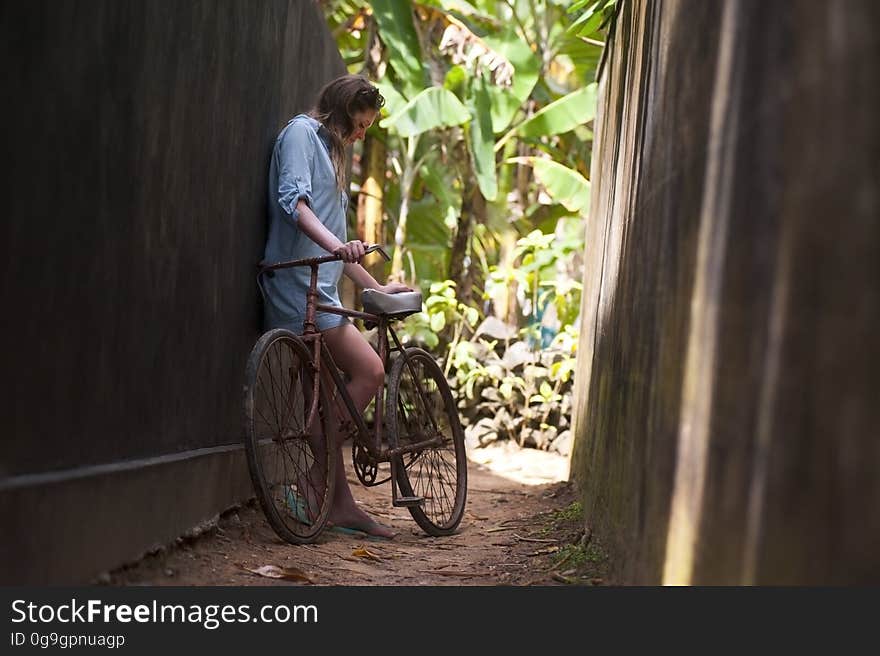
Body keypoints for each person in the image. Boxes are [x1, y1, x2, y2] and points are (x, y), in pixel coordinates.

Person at [263, 74, 410, 538]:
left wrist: (377, 290)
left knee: (325, 401)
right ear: (342, 111)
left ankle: (338, 502)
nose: (361, 134)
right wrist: (339, 246)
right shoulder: (301, 134)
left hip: (320, 287)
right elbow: (295, 204)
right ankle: (311, 481)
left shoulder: (331, 151)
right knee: (370, 371)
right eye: (360, 124)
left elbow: (339, 248)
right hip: (295, 284)